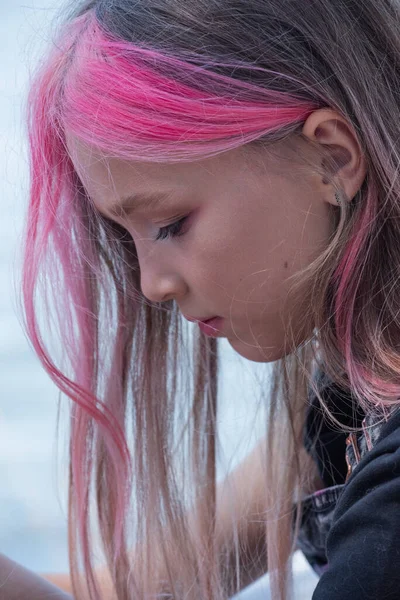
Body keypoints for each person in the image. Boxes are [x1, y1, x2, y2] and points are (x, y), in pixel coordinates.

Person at [9, 0, 400, 598]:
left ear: (333, 157)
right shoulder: (350, 398)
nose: (152, 286)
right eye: (126, 237)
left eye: (168, 225)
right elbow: (137, 588)